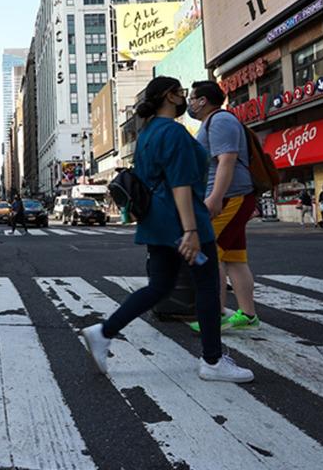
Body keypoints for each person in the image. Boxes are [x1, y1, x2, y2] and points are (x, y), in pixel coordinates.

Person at [81, 76, 253, 383]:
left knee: (159, 287)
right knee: (207, 285)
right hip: (182, 222)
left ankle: (103, 332)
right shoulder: (174, 132)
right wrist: (190, 231)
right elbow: (181, 183)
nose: (185, 98)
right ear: (171, 96)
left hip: (158, 222)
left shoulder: (147, 133)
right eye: (182, 93)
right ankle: (212, 360)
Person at [188, 80, 259, 332]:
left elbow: (226, 160)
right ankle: (248, 316)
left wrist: (215, 197)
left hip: (230, 197)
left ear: (203, 100)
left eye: (192, 97)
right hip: (231, 196)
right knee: (235, 259)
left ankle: (214, 316)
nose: (190, 102)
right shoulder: (214, 122)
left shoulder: (220, 121)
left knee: (209, 255)